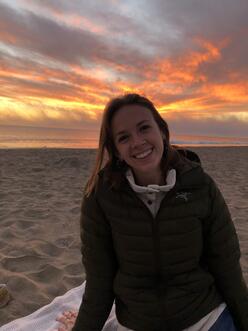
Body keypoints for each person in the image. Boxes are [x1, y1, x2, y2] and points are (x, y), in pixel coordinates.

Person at [56, 93, 248, 331]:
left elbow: (226, 265)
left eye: (144, 128)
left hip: (206, 319)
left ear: (162, 131)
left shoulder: (200, 185)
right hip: (138, 324)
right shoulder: (100, 197)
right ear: (115, 150)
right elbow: (99, 281)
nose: (137, 142)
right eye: (124, 137)